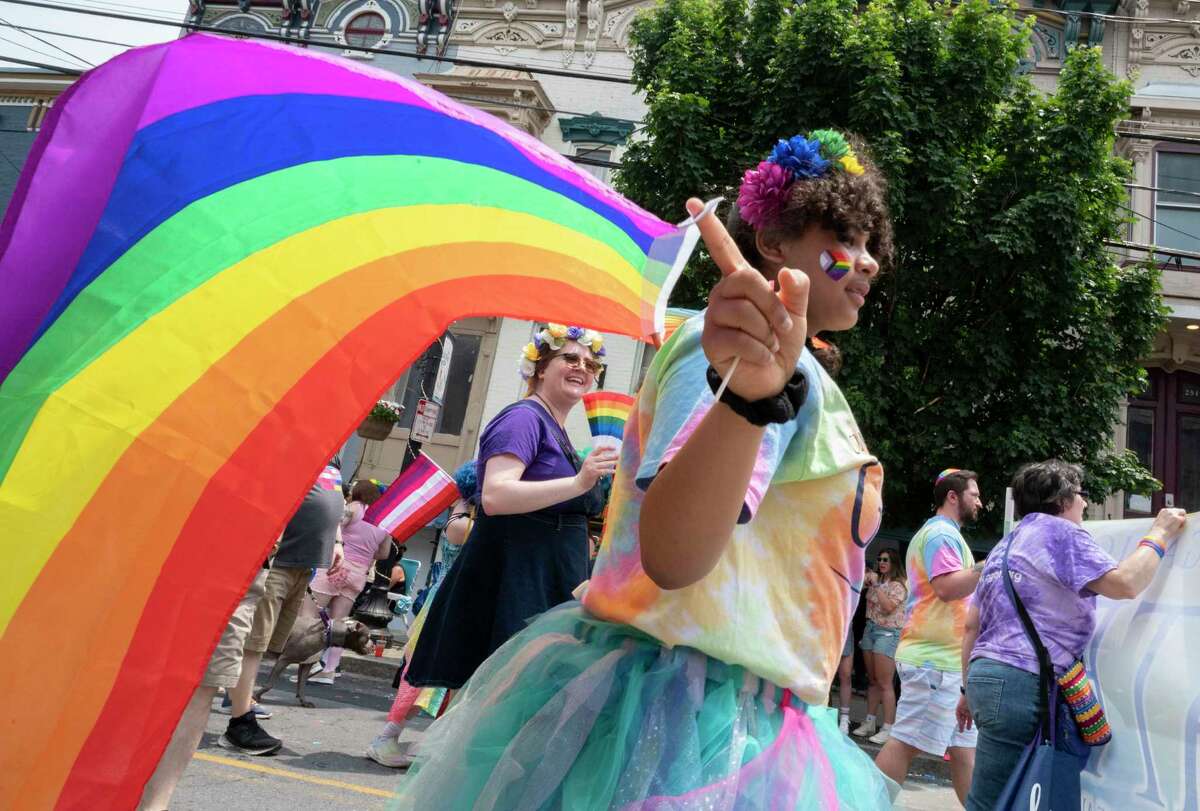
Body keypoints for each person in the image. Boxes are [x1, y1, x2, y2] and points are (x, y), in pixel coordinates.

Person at [394, 130, 896, 809]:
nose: (867, 262)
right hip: (686, 719)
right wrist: (749, 398)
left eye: (872, 243)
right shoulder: (730, 356)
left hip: (737, 714)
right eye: (846, 235)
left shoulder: (792, 369)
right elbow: (675, 552)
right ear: (774, 243)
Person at [958, 460, 1189, 810]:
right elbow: (1125, 583)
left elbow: (971, 625)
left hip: (986, 678)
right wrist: (1161, 534)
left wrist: (967, 690)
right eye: (1080, 495)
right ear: (1062, 499)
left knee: (993, 798)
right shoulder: (1058, 533)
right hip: (1023, 683)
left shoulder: (1006, 545)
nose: (1084, 504)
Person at [402, 326, 618, 691]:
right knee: (503, 695)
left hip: (542, 578)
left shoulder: (554, 426)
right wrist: (579, 483)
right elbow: (496, 497)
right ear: (540, 368)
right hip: (517, 582)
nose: (582, 366)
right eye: (569, 357)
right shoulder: (523, 419)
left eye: (590, 363)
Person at [219, 457, 346, 755]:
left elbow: (335, 498)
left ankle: (238, 697)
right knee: (254, 642)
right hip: (278, 562)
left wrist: (336, 541)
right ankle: (240, 720)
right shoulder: (298, 443)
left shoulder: (332, 452)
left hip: (303, 566)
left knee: (265, 644)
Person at [876, 468, 983, 803]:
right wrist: (991, 564)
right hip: (933, 662)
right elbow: (947, 587)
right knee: (905, 742)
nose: (980, 501)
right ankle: (864, 803)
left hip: (946, 664)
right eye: (974, 494)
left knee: (965, 752)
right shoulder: (940, 534)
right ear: (953, 496)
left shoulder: (943, 534)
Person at [367, 461, 478, 767]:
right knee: (421, 675)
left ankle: (432, 738)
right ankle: (386, 737)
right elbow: (466, 537)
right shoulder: (462, 520)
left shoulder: (468, 515)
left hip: (459, 604)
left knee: (449, 678)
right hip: (444, 605)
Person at [137, 567, 269, 810]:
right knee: (134, 673)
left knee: (205, 685)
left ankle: (154, 806)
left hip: (243, 569)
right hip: (168, 558)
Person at [301, 479, 392, 684]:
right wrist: (366, 553)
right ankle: (329, 671)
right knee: (340, 624)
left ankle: (310, 661)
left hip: (336, 567)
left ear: (357, 492)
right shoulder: (385, 521)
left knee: (309, 615)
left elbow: (334, 525)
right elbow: (384, 553)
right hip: (358, 575)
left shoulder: (354, 508)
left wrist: (340, 544)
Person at [852, 549, 907, 744]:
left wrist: (875, 585)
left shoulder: (899, 585)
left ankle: (888, 727)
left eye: (886, 560)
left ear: (894, 563)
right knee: (873, 680)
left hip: (888, 632)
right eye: (880, 559)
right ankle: (869, 722)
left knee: (885, 683)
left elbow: (888, 607)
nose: (882, 562)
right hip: (870, 629)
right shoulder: (877, 581)